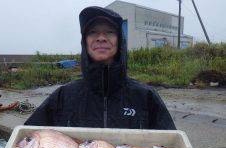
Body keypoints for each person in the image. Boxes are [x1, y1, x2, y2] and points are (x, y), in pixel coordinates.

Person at [24, 6, 176, 130]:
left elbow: (171, 147)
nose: (101, 37)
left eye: (109, 32)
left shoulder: (145, 96)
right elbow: (27, 137)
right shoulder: (63, 96)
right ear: (85, 42)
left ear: (120, 41)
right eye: (93, 32)